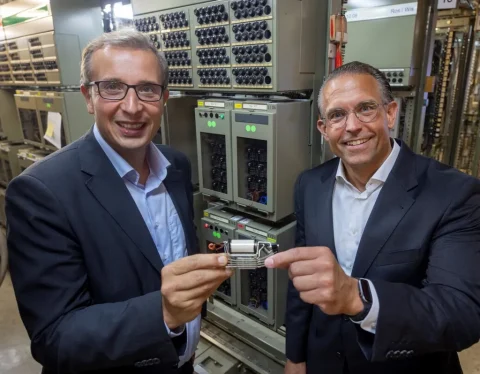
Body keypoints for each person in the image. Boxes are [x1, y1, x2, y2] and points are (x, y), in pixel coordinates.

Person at [5, 29, 232, 374]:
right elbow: (54, 337)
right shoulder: (42, 192)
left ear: (164, 97)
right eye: (112, 87)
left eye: (147, 89)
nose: (132, 106)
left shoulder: (176, 166)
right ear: (87, 96)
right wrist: (164, 313)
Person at [265, 61, 480, 374]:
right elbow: (302, 282)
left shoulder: (453, 194)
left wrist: (358, 297)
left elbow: (461, 313)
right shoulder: (310, 185)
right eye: (337, 115)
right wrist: (295, 356)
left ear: (390, 113)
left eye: (365, 108)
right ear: (324, 129)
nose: (352, 126)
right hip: (324, 360)